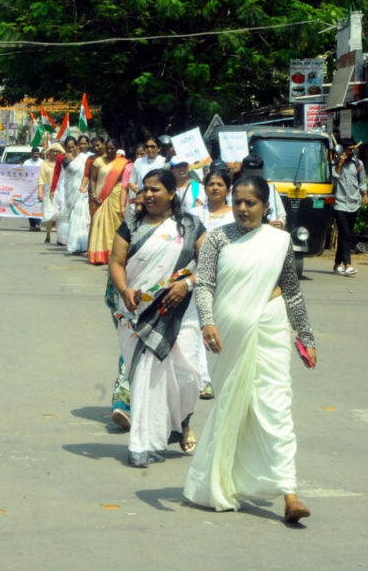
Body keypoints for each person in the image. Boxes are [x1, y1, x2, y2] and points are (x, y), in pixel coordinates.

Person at [183, 174, 317, 523]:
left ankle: (289, 494)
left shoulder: (279, 241)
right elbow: (205, 286)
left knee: (276, 410)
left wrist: (305, 335)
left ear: (265, 206)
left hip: (270, 332)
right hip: (226, 337)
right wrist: (208, 321)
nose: (243, 208)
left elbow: (292, 290)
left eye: (251, 203)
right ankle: (224, 480)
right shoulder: (216, 240)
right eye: (238, 201)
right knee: (233, 407)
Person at [108, 168, 205, 468]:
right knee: (146, 380)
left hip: (181, 311)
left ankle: (181, 421)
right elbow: (116, 262)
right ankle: (143, 443)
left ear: (172, 193)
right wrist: (124, 290)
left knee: (188, 375)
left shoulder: (190, 225)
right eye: (145, 189)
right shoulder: (131, 225)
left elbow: (209, 262)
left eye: (155, 190)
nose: (148, 195)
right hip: (138, 314)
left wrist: (186, 283)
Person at [188, 168, 235, 400]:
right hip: (199, 277)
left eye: (220, 184)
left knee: (223, 325)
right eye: (211, 184)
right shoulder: (194, 213)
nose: (215, 188)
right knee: (199, 325)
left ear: (228, 189)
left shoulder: (236, 215)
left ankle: (223, 377)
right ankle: (203, 379)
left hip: (228, 276)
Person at [87, 139, 130, 265]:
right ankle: (99, 255)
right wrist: (93, 194)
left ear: (117, 149)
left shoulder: (123, 163)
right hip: (100, 197)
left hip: (116, 196)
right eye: (108, 148)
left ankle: (115, 254)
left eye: (113, 148)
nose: (110, 151)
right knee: (99, 224)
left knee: (116, 223)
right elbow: (93, 180)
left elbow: (125, 182)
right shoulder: (98, 161)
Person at [332, 137, 367, 276]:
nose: (352, 151)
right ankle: (348, 265)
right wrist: (339, 164)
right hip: (339, 204)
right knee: (345, 234)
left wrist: (365, 194)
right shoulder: (335, 163)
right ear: (343, 150)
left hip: (354, 204)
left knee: (345, 235)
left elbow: (362, 181)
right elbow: (334, 181)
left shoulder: (359, 164)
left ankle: (336, 265)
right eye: (349, 149)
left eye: (353, 149)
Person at [66, 135, 93, 253]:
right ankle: (75, 245)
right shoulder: (68, 158)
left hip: (87, 191)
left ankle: (86, 244)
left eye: (84, 144)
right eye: (80, 144)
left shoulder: (90, 157)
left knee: (86, 219)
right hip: (74, 191)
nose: (82, 146)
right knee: (75, 218)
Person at [128, 136, 167, 217]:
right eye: (147, 147)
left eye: (152, 146)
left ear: (159, 149)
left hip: (158, 200)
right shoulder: (139, 162)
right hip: (141, 200)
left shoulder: (164, 162)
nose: (149, 149)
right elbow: (131, 182)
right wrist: (139, 193)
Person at [37, 143, 65, 244]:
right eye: (53, 151)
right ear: (50, 152)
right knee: (49, 213)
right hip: (48, 191)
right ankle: (48, 234)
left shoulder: (63, 164)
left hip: (61, 190)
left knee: (59, 213)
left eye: (57, 152)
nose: (55, 153)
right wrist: (40, 192)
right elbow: (41, 179)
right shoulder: (44, 165)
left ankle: (59, 236)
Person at [55, 136, 79, 246]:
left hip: (79, 188)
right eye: (68, 148)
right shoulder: (62, 158)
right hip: (65, 187)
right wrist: (53, 188)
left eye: (73, 147)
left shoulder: (82, 158)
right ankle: (63, 238)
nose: (71, 150)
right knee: (64, 213)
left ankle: (76, 238)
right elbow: (56, 173)